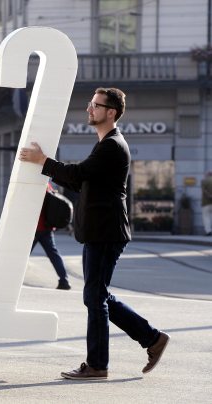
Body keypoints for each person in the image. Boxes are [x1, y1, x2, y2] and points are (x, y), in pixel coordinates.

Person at [20, 87, 170, 380]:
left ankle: (99, 364)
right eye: (90, 104)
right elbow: (83, 183)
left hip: (106, 231)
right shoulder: (105, 143)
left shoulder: (112, 145)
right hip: (100, 231)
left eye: (95, 105)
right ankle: (152, 339)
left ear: (110, 112)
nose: (89, 109)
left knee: (95, 297)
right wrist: (51, 172)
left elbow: (78, 175)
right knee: (97, 295)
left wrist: (43, 162)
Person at [32, 183, 71, 290]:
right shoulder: (47, 185)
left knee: (23, 255)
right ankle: (64, 280)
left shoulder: (32, 184)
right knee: (54, 254)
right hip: (46, 227)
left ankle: (13, 279)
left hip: (33, 228)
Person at [201, 172, 212, 236]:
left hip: (206, 202)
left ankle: (208, 231)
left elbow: (203, 191)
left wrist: (210, 196)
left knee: (206, 217)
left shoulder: (204, 181)